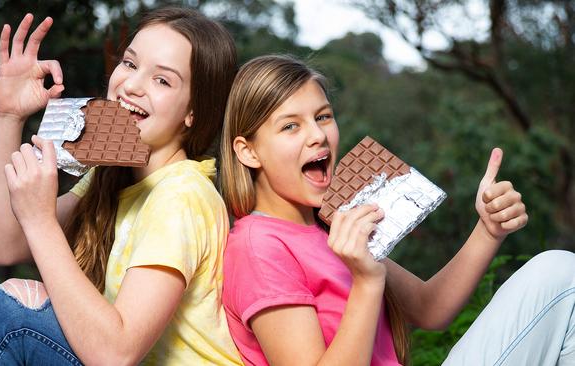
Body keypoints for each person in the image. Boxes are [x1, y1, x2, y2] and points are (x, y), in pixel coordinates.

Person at [219, 54, 575, 366]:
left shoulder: (333, 226)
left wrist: (489, 229)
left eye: (323, 117)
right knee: (560, 274)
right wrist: (367, 281)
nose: (318, 135)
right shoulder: (259, 247)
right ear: (248, 151)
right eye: (291, 126)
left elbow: (430, 308)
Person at [0, 7, 242, 365]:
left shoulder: (182, 196)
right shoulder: (109, 175)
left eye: (162, 80)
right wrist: (6, 115)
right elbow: (0, 245)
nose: (131, 85)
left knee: (14, 316)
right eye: (130, 64)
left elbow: (116, 354)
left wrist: (40, 220)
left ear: (194, 111)